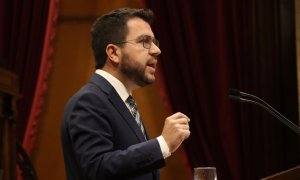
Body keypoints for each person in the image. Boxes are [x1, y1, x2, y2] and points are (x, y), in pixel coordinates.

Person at [61, 8, 190, 180]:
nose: (156, 50)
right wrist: (162, 144)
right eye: (144, 41)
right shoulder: (89, 101)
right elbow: (97, 168)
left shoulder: (123, 101)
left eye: (154, 42)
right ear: (113, 53)